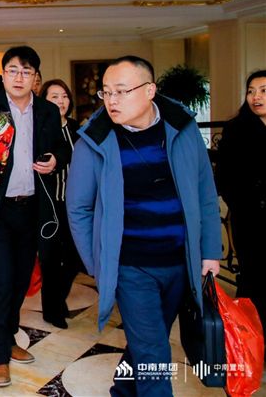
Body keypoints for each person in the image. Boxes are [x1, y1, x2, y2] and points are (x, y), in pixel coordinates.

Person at [66, 56, 221, 396]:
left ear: (150, 90)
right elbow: (78, 208)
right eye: (106, 92)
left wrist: (210, 251)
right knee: (154, 353)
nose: (112, 100)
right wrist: (99, 263)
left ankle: (122, 391)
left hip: (179, 262)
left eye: (121, 91)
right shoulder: (94, 140)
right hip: (131, 267)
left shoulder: (182, 128)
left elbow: (205, 194)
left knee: (148, 341)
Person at [0, 45, 67, 387]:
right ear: (3, 74)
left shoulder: (47, 111)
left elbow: (62, 146)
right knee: (0, 283)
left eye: (26, 71)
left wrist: (55, 160)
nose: (19, 77)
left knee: (21, 281)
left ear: (36, 78)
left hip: (31, 209)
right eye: (13, 70)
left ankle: (7, 336)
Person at [215, 69, 266, 333]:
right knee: (253, 279)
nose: (256, 97)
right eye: (251, 91)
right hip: (251, 219)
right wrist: (242, 203)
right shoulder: (236, 130)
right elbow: (224, 177)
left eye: (264, 91)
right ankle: (250, 339)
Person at [38, 79, 83, 329]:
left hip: (75, 205)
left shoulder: (78, 129)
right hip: (49, 204)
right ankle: (52, 309)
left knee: (76, 258)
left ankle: (57, 298)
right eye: (54, 96)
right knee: (50, 260)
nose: (60, 101)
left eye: (64, 96)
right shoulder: (40, 130)